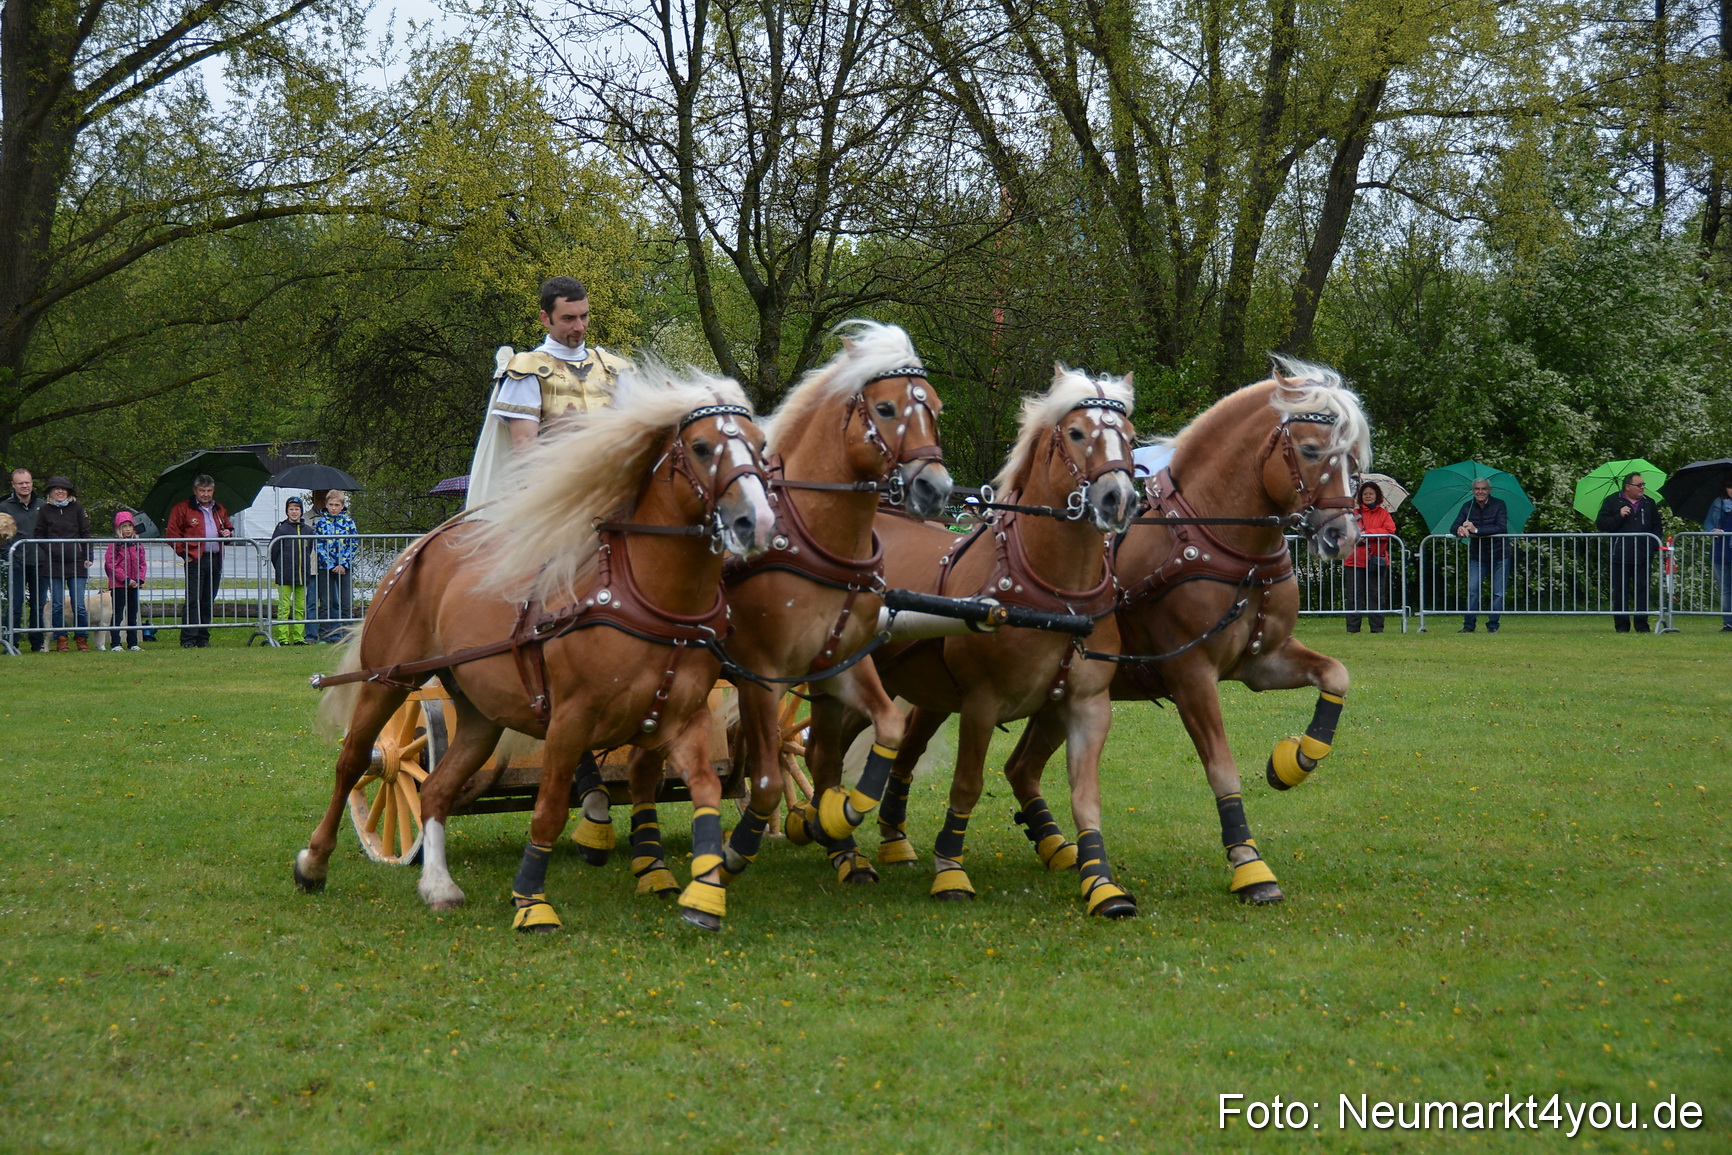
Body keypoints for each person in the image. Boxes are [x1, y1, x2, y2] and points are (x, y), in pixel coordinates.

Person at [466, 276, 629, 507]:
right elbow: (526, 451)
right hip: (557, 499)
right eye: (568, 318)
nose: (579, 327)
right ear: (545, 318)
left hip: (618, 492)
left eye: (584, 316)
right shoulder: (527, 370)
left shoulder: (613, 368)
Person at [164, 474, 234, 648]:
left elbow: (227, 527)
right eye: (202, 491)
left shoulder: (219, 509)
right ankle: (188, 638)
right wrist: (184, 553)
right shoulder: (182, 508)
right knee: (193, 599)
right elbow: (172, 533)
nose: (206, 494)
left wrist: (228, 533)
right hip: (195, 559)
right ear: (195, 490)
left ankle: (203, 637)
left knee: (208, 600)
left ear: (213, 490)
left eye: (209, 491)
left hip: (215, 559)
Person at [1595, 471, 1662, 633]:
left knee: (1642, 591)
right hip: (1620, 555)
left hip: (1643, 555)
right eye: (1639, 485)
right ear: (1627, 486)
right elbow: (1601, 524)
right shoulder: (1611, 501)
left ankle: (1642, 626)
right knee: (1620, 592)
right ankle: (1622, 626)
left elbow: (1657, 526)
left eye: (1643, 485)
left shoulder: (1649, 503)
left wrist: (1652, 545)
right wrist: (1619, 516)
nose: (1642, 488)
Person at [34, 475, 93, 652]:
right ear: (50, 492)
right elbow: (39, 534)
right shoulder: (44, 510)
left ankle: (82, 638)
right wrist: (51, 549)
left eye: (63, 489)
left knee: (79, 604)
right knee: (57, 604)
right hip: (54, 563)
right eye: (56, 488)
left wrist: (88, 555)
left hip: (76, 562)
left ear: (68, 492)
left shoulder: (77, 508)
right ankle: (61, 638)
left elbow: (86, 532)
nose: (60, 491)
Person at [1454, 478, 1508, 633]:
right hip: (1477, 555)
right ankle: (1468, 625)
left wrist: (1476, 530)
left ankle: (1493, 625)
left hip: (1500, 554)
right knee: (1472, 590)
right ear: (1473, 491)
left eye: (1483, 489)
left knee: (1498, 593)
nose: (1480, 492)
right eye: (1477, 489)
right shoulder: (1467, 506)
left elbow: (1501, 527)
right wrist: (1459, 529)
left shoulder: (1499, 504)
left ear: (1489, 490)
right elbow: (1454, 525)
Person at [1, 468, 46, 652]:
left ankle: (37, 643)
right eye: (20, 483)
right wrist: (6, 554)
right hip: (16, 563)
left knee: (38, 605)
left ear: (32, 483)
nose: (25, 486)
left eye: (27, 482)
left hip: (40, 562)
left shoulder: (43, 506)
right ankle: (10, 643)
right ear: (13, 485)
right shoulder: (4, 507)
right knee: (15, 603)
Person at [1344, 480, 1396, 633]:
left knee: (1376, 595)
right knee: (1353, 596)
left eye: (1371, 494)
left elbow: (1389, 531)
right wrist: (1356, 537)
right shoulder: (1353, 514)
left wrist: (1367, 534)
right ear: (1360, 496)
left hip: (1376, 559)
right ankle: (1353, 628)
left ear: (1376, 495)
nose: (1368, 496)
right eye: (1365, 494)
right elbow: (1346, 531)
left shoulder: (1384, 514)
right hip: (1354, 560)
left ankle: (1377, 628)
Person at [268, 496, 317, 645]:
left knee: (300, 607)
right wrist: (280, 567)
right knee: (284, 607)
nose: (294, 512)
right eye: (291, 509)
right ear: (287, 511)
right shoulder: (281, 529)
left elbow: (309, 549)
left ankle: (298, 637)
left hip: (302, 575)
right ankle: (283, 637)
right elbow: (274, 550)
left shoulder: (307, 530)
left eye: (297, 509)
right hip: (285, 575)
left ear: (301, 511)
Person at [312, 490, 358, 642]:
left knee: (346, 602)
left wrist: (343, 563)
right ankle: (326, 634)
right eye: (331, 504)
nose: (333, 508)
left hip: (345, 567)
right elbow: (318, 545)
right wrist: (330, 564)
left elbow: (353, 544)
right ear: (326, 505)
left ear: (342, 506)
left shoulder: (349, 522)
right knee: (326, 602)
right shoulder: (320, 523)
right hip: (325, 567)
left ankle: (348, 634)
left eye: (337, 505)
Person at [104, 510, 147, 651]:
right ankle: (115, 643)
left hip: (134, 584)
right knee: (118, 614)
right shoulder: (115, 544)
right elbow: (111, 564)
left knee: (132, 614)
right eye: (124, 526)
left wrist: (139, 579)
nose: (128, 529)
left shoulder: (137, 544)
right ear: (119, 528)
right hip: (119, 585)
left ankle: (133, 643)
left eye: (130, 526)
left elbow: (142, 563)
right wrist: (125, 579)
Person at [1707, 478, 1732, 632]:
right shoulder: (1718, 503)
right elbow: (1708, 522)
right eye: (1729, 486)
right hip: (1720, 551)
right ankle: (1728, 623)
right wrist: (1712, 530)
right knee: (1724, 589)